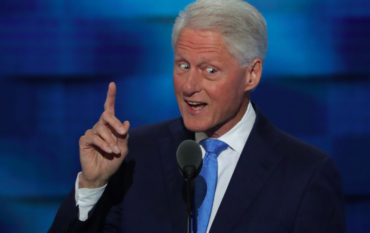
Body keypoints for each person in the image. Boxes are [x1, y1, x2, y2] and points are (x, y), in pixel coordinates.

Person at [49, 0, 345, 232]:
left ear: (252, 74)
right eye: (182, 66)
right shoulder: (134, 156)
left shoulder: (305, 174)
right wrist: (93, 185)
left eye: (210, 70)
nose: (189, 86)